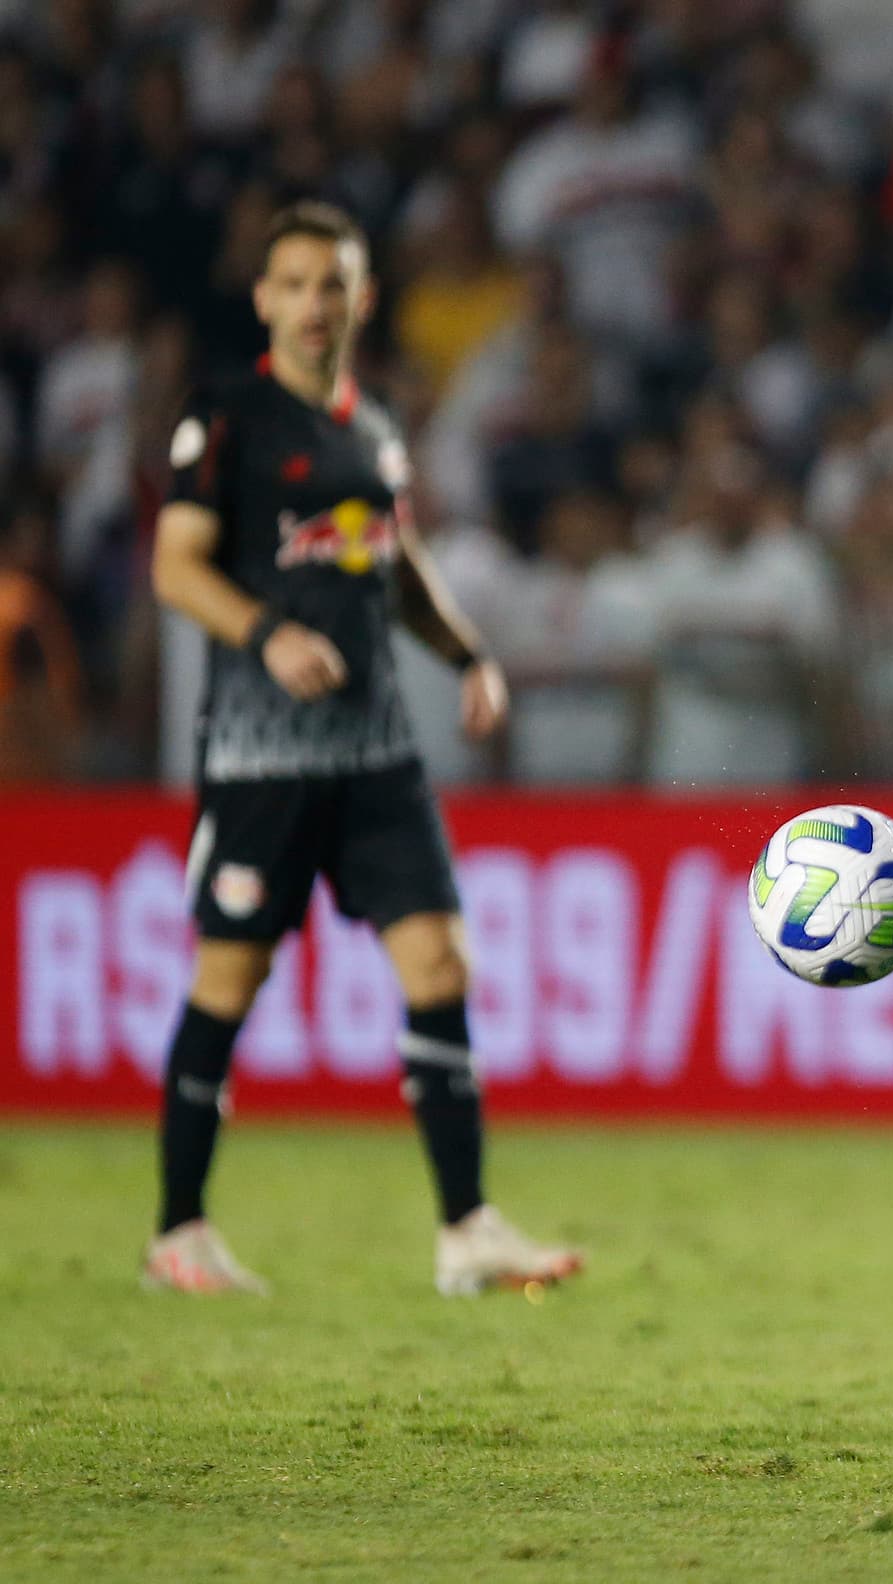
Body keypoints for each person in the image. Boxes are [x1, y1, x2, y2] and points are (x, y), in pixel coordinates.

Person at [144, 201, 583, 1298]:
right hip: (261, 758)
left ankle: (467, 1230)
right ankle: (178, 1234)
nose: (312, 304)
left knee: (440, 965)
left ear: (362, 297)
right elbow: (175, 566)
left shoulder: (374, 428)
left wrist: (468, 653)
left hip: (376, 753)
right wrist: (266, 631)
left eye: (331, 284)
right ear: (263, 300)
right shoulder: (226, 417)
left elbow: (394, 565)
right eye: (291, 283)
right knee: (229, 978)